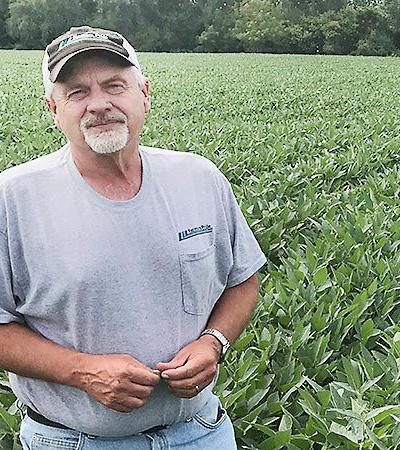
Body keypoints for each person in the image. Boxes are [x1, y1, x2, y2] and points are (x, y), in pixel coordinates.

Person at [0, 26, 266, 449]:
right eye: (76, 92)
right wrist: (80, 370)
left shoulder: (198, 177)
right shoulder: (12, 197)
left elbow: (242, 280)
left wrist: (213, 343)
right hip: (74, 441)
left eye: (114, 85)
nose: (99, 104)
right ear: (54, 108)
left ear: (145, 93)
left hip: (201, 433)